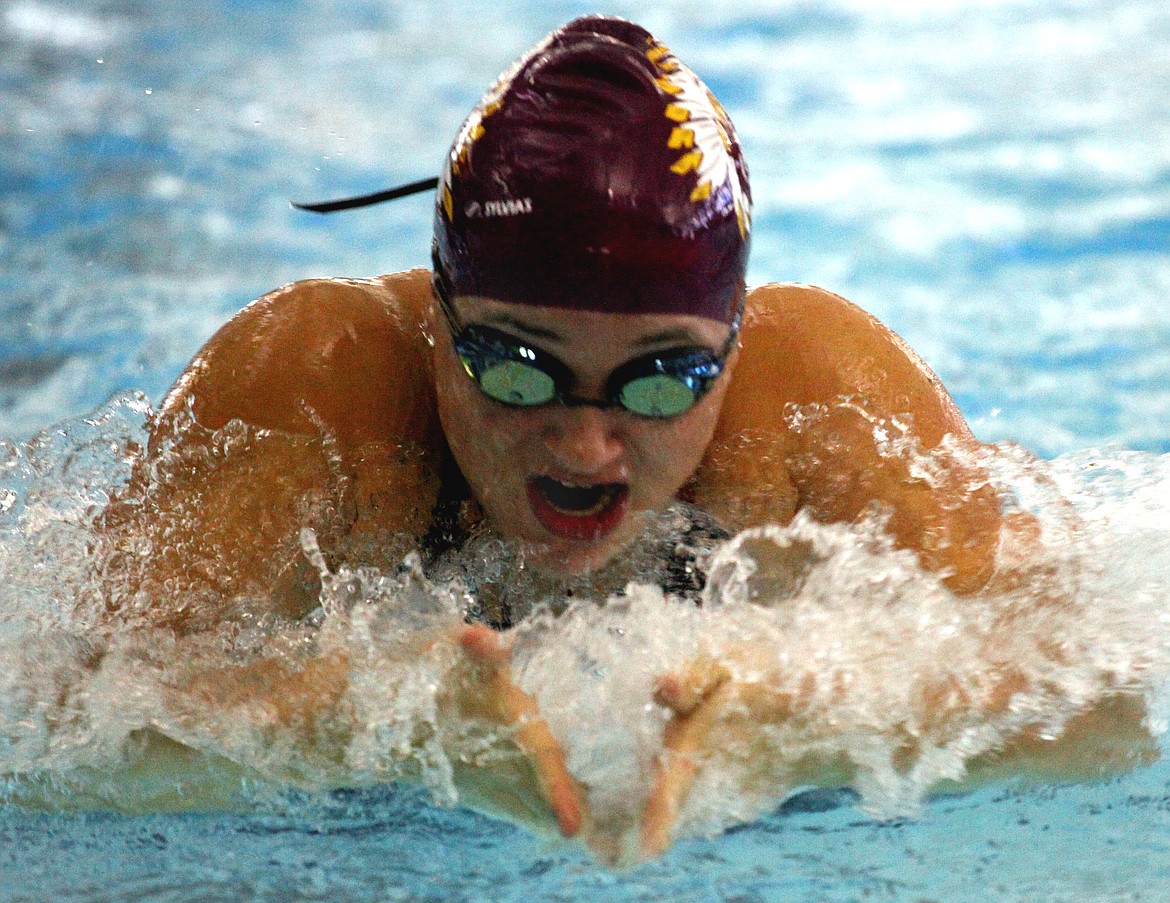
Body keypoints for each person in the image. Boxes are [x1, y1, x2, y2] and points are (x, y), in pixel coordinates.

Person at [92, 15, 1150, 859]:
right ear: (435, 326)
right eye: (517, 370)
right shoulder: (314, 394)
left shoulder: (816, 404)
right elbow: (60, 720)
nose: (588, 448)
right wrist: (362, 722)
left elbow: (1109, 704)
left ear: (732, 352)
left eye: (659, 384)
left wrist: (822, 724)